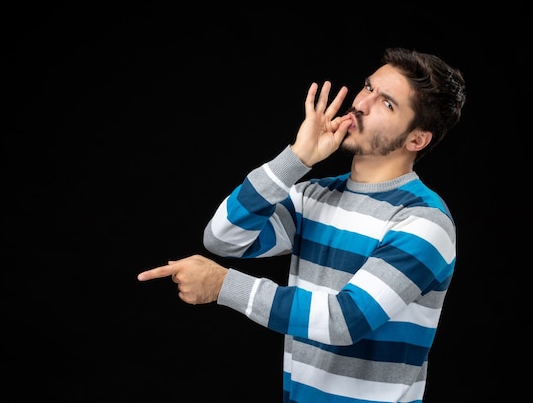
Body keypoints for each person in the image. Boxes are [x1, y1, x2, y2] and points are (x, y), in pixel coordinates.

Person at [137, 47, 466, 403]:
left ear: (416, 139)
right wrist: (296, 158)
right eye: (369, 87)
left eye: (387, 104)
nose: (362, 104)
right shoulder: (314, 195)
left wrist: (222, 285)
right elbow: (223, 238)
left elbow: (345, 320)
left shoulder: (424, 220)